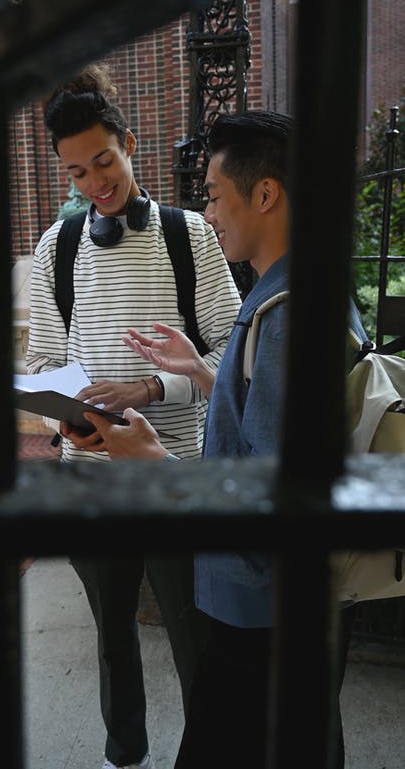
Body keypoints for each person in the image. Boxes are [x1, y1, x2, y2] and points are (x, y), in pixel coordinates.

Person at [77, 110, 368, 769]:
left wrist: (153, 457)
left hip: (261, 618)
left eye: (212, 194)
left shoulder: (290, 312)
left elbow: (273, 501)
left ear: (264, 193)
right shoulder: (292, 291)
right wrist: (205, 371)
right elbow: (278, 427)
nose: (207, 213)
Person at [25, 64, 242, 769]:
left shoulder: (190, 236)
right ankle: (126, 751)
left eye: (104, 162)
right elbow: (43, 359)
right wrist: (66, 415)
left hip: (174, 472)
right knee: (111, 633)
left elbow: (231, 356)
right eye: (77, 172)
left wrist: (148, 389)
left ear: (131, 142)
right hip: (87, 476)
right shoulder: (53, 250)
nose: (94, 183)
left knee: (194, 635)